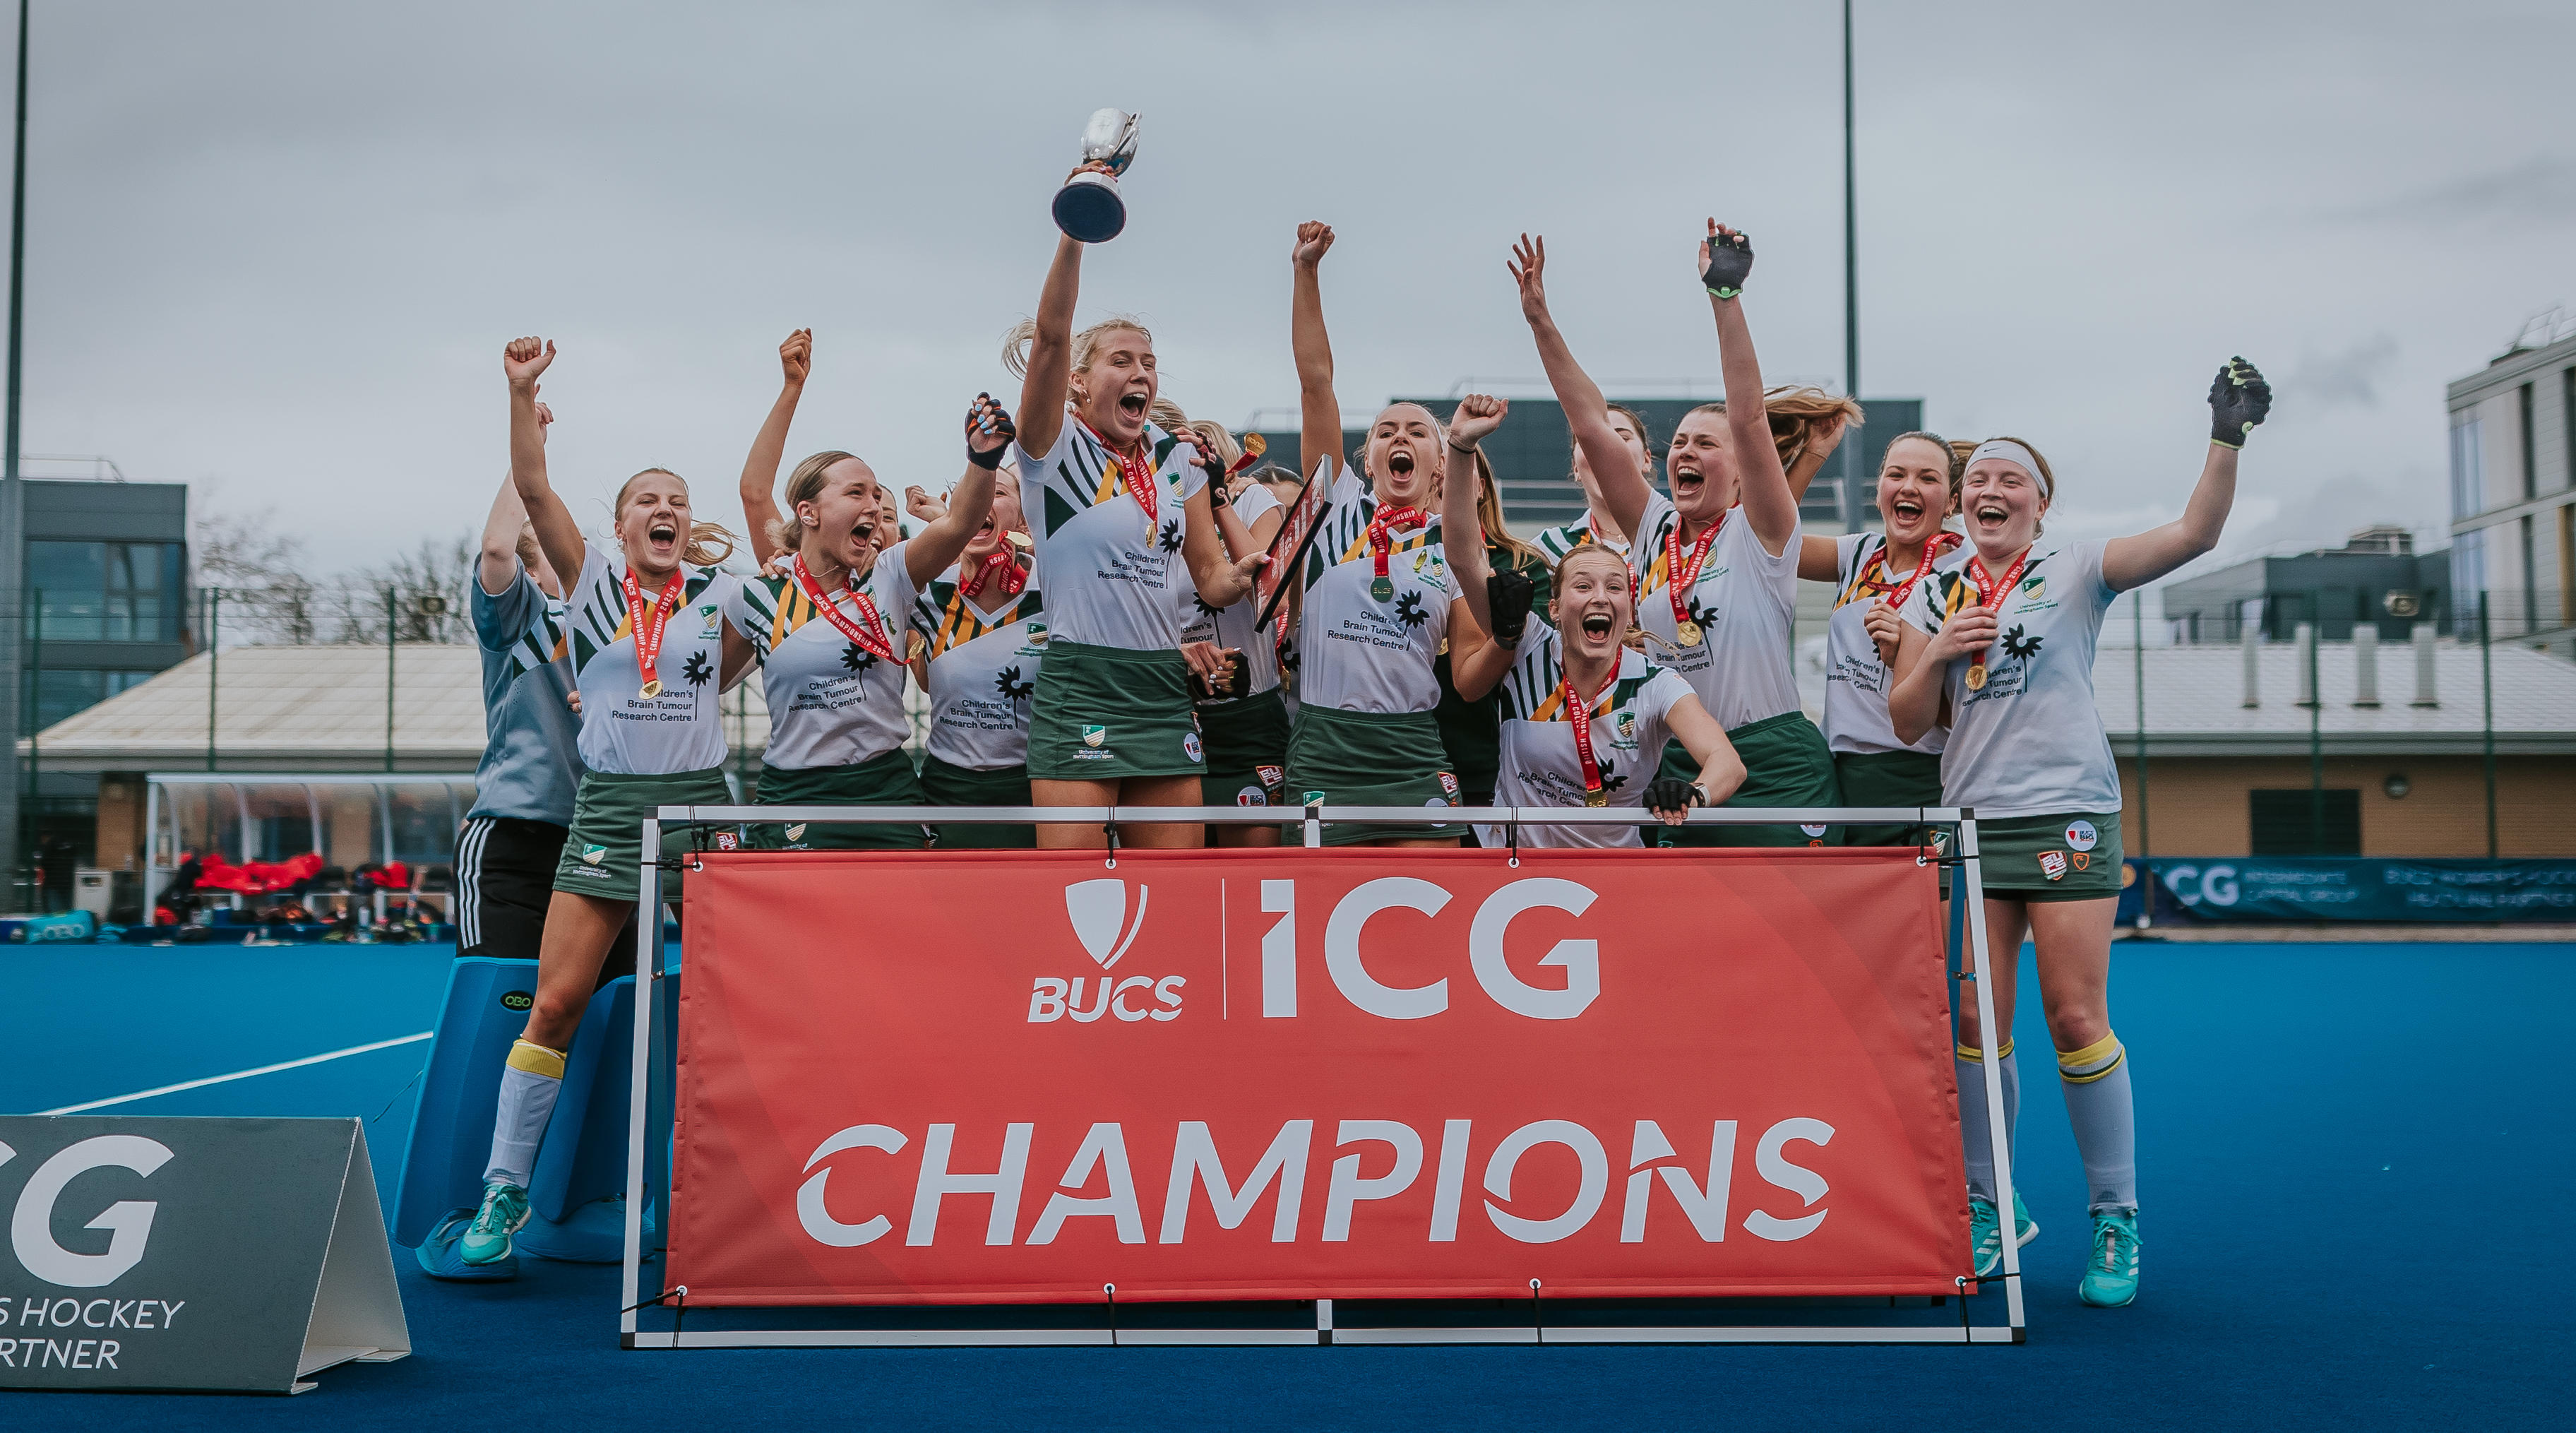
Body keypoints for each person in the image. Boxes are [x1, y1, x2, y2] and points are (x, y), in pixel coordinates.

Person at [1887, 359, 2273, 1307]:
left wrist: (2225, 439)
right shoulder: (1930, 592)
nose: (1991, 490)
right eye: (1978, 480)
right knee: (1974, 1022)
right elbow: (1907, 720)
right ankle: (1989, 1204)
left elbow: (2195, 533)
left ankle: (2115, 1215)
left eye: (2010, 480)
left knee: (2074, 1018)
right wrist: (1936, 654)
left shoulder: (2077, 567)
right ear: (1961, 505)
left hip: (2066, 815)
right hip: (1972, 824)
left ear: (2041, 504)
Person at [424, 335, 753, 1278]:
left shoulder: (724, 597)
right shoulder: (593, 585)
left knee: (738, 1007)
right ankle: (504, 1192)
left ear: (689, 524)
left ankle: (743, 1192)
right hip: (607, 812)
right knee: (558, 1002)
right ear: (617, 527)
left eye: (676, 499)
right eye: (645, 499)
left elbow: (746, 654)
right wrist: (522, 396)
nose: (664, 508)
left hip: (701, 808)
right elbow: (531, 493)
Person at [1510, 227, 1847, 848]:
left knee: (1789, 916)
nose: (1686, 451)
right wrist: (1540, 322)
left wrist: (1725, 297)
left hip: (1775, 760)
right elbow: (1591, 424)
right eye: (1680, 443)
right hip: (1681, 761)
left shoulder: (1761, 528)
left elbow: (1748, 415)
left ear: (1744, 469)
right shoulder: (1654, 528)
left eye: (1706, 444)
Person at [1005, 208, 1265, 850]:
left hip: (1160, 684)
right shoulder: (1053, 448)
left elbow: (1209, 576)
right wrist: (1075, 230)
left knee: (1175, 890)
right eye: (1121, 360)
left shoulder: (1177, 458)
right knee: (1072, 888)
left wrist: (1240, 575)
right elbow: (1051, 338)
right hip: (1082, 679)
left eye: (1149, 363)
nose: (1141, 373)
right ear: (1078, 382)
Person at [729, 328, 1003, 848]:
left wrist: (983, 460)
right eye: (857, 493)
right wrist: (791, 388)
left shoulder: (892, 575)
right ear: (808, 513)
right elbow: (699, 685)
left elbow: (959, 523)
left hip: (885, 791)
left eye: (878, 497)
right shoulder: (763, 592)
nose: (874, 507)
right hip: (793, 795)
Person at [1283, 221, 1498, 845]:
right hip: (1324, 746)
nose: (1400, 436)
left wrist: (1507, 639)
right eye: (1385, 431)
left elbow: (1469, 677)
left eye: (1417, 431)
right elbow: (1316, 382)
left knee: (1430, 899)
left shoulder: (1455, 546)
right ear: (1369, 460)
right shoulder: (1332, 504)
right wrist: (1306, 272)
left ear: (1440, 463)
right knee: (1317, 900)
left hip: (1411, 748)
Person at [1445, 468, 1745, 845]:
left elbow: (1727, 762)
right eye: (1583, 586)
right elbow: (1462, 555)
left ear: (1630, 611)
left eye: (1615, 588)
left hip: (1611, 869)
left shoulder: (1655, 683)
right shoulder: (1526, 645)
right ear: (1554, 609)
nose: (1600, 597)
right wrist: (1461, 448)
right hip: (1519, 864)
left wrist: (1694, 793)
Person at [1797, 431, 1964, 846]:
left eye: (1928, 478)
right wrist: (1813, 453)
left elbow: (1972, 710)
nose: (1909, 487)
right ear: (1879, 491)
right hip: (1839, 775)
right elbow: (1767, 541)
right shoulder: (1857, 554)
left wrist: (1908, 660)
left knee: (1931, 893)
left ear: (1952, 501)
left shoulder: (1968, 574)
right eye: (1897, 475)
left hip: (1924, 775)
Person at [1157, 405, 1291, 841]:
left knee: (1254, 869)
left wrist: (1220, 504)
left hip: (1248, 715)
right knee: (1180, 868)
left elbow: (1274, 596)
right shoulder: (1154, 513)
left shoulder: (1252, 499)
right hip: (1174, 710)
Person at [908, 463, 1046, 849]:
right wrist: (784, 562)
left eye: (998, 492)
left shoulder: (1057, 591)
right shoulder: (922, 593)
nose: (983, 499)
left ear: (1024, 518)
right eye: (971, 494)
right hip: (947, 789)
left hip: (1034, 787)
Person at [1433, 444, 1551, 819]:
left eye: (1457, 466)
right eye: (1437, 464)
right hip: (1404, 756)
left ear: (1481, 488)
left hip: (1490, 762)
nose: (1445, 474)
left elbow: (1535, 657)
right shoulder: (1383, 560)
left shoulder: (1521, 563)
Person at [1532, 403, 1657, 567]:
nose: (1607, 448)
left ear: (1647, 460)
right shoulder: (1547, 550)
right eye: (1589, 441)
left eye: (1622, 438)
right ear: (1576, 468)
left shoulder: (1680, 535)